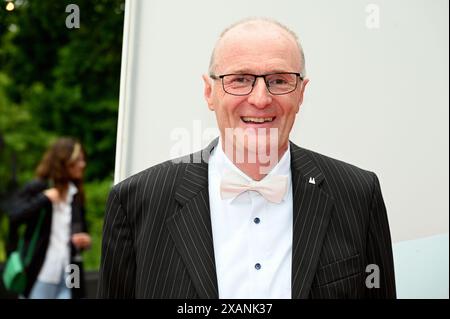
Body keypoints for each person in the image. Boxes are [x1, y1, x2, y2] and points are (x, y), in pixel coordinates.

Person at [97, 18, 396, 299]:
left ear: (301, 93)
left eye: (279, 81)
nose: (260, 99)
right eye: (240, 79)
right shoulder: (136, 201)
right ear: (209, 92)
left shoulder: (358, 193)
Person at [7, 137, 91, 299]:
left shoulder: (76, 194)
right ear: (64, 162)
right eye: (78, 160)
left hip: (71, 271)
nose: (83, 164)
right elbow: (14, 216)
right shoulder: (39, 188)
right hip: (41, 272)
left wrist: (85, 240)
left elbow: (82, 230)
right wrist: (43, 199)